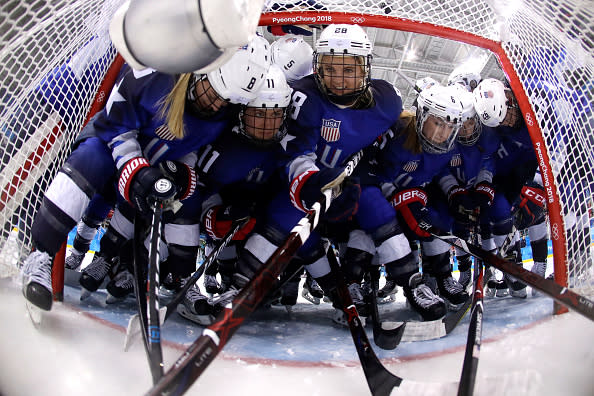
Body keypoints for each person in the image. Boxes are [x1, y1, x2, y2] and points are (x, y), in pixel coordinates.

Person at [20, 36, 271, 311]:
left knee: (185, 196)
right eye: (213, 94)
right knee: (92, 157)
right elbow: (113, 127)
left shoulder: (226, 107)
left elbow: (193, 146)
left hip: (154, 167)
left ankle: (160, 274)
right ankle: (41, 255)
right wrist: (135, 169)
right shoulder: (155, 70)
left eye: (225, 101)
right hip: (113, 152)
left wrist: (182, 171)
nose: (215, 106)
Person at [175, 64, 294, 325]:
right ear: (241, 112)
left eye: (276, 114)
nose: (267, 123)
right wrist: (217, 214)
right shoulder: (220, 143)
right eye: (258, 114)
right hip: (225, 208)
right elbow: (193, 197)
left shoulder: (289, 146)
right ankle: (173, 276)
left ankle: (272, 281)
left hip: (257, 212)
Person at [373, 84, 472, 311]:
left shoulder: (447, 147)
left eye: (450, 126)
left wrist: (455, 194)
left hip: (415, 200)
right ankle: (366, 283)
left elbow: (441, 174)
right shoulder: (398, 132)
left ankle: (443, 277)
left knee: (437, 221)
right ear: (423, 115)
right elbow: (375, 174)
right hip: (383, 200)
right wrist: (400, 198)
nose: (443, 132)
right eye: (438, 122)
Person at [474, 78, 549, 297]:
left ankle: (541, 262)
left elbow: (555, 147)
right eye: (500, 121)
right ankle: (513, 269)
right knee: (501, 214)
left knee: (536, 210)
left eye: (506, 115)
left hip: (533, 169)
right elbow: (488, 162)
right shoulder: (491, 130)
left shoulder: (535, 107)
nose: (506, 122)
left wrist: (538, 183)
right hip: (507, 179)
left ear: (509, 98)